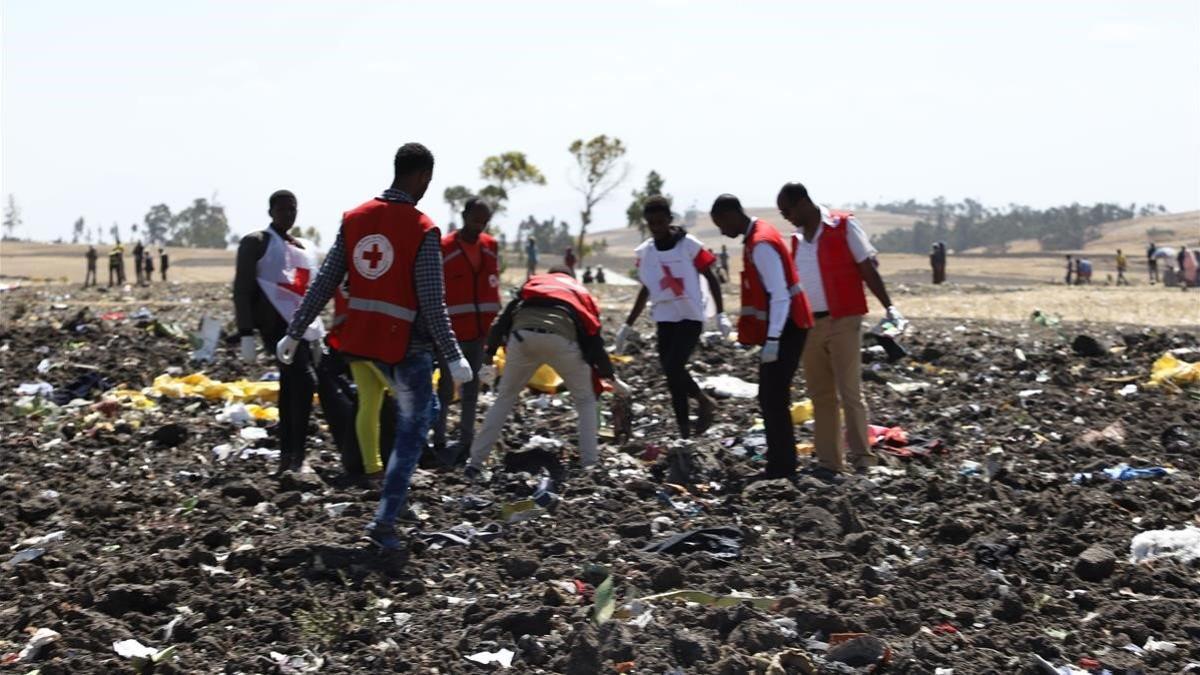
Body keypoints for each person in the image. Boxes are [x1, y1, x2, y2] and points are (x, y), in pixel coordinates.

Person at [279, 143, 472, 551]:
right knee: (411, 431)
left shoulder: (354, 219)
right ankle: (384, 522)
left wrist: (295, 330)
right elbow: (433, 302)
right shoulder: (422, 228)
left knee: (422, 412)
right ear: (422, 177)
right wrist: (454, 356)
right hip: (407, 347)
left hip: (361, 342)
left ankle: (394, 503)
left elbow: (325, 280)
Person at [778, 182, 901, 480]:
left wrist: (889, 307)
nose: (787, 218)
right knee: (821, 395)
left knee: (849, 391)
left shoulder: (843, 227)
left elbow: (866, 268)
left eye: (788, 211)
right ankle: (830, 462)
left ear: (802, 202)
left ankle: (862, 459)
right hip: (810, 324)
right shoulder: (795, 242)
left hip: (844, 319)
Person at [466, 267, 622, 478]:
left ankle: (475, 463)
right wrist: (609, 376)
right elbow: (593, 337)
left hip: (522, 336)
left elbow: (501, 321)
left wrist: (489, 356)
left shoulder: (534, 285)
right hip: (561, 339)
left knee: (505, 398)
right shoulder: (578, 292)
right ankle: (590, 465)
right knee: (585, 400)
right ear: (571, 278)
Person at [711, 193, 813, 481]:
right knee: (771, 398)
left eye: (721, 223)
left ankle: (782, 468)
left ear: (731, 215)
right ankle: (780, 464)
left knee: (772, 398)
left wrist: (773, 340)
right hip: (786, 328)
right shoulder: (758, 237)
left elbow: (780, 296)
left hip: (788, 327)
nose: (721, 231)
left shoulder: (760, 244)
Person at [233, 190, 330, 475]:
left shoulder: (302, 247)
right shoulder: (257, 243)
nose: (289, 214)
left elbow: (308, 291)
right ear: (271, 211)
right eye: (283, 209)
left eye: (293, 209)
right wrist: (245, 332)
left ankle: (290, 456)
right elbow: (242, 288)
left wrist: (316, 330)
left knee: (292, 390)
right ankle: (295, 455)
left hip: (302, 329)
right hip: (275, 327)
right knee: (303, 384)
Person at [615, 195, 727, 439]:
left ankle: (704, 401)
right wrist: (627, 325)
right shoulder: (646, 253)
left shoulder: (688, 245)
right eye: (651, 223)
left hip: (690, 315)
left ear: (669, 219)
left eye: (660, 222)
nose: (656, 227)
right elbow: (646, 288)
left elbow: (710, 276)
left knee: (675, 366)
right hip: (665, 317)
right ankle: (684, 431)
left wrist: (721, 314)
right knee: (671, 373)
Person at [433, 196, 500, 465]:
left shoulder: (491, 247)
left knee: (472, 389)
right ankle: (438, 438)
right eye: (476, 220)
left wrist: (496, 329)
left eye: (485, 221)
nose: (480, 226)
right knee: (446, 386)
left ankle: (465, 440)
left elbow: (493, 287)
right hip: (450, 331)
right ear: (464, 216)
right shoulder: (444, 247)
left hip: (479, 330)